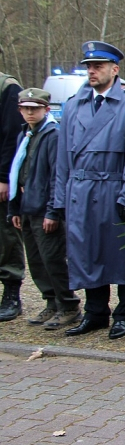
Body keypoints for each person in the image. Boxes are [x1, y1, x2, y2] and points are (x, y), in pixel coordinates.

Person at [53, 41, 125, 339]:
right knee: (86, 251)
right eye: (89, 67)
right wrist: (60, 199)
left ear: (115, 69)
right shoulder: (73, 105)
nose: (92, 72)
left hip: (114, 187)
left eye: (98, 66)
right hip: (80, 190)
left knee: (122, 254)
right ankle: (96, 313)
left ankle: (124, 314)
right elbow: (62, 159)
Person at [8, 89, 80, 329]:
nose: (30, 112)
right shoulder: (25, 134)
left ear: (46, 109)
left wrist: (53, 211)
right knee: (36, 260)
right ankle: (51, 302)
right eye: (26, 108)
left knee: (53, 259)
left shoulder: (53, 135)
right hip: (27, 207)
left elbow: (56, 177)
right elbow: (18, 174)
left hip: (44, 209)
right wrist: (14, 209)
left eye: (35, 108)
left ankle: (68, 305)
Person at [0, 68, 24, 322]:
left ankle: (11, 292)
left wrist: (4, 177)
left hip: (1, 177)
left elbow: (11, 136)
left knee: (6, 237)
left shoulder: (6, 87)